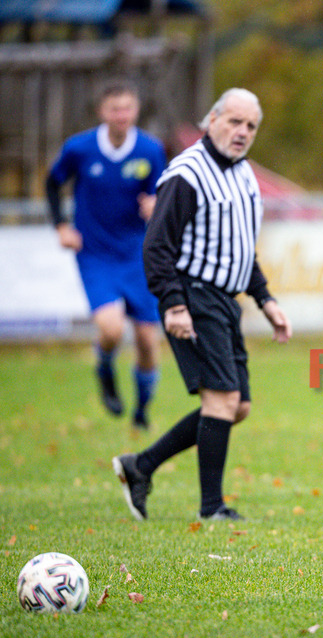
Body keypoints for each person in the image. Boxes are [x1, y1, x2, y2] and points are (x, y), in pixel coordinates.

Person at [111, 88, 292, 522]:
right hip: (193, 296)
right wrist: (173, 305)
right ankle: (212, 508)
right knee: (222, 400)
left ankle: (141, 466)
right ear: (211, 119)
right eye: (234, 121)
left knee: (237, 407)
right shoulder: (187, 173)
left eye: (251, 126)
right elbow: (156, 245)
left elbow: (241, 249)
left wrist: (265, 299)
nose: (242, 132)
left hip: (225, 301)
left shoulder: (245, 175)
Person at [46, 80, 167, 429]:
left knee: (147, 339)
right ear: (103, 112)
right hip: (95, 253)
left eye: (127, 108)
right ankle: (104, 366)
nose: (121, 115)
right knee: (111, 328)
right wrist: (61, 226)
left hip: (137, 255)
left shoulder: (150, 149)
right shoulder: (80, 148)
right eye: (115, 109)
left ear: (136, 110)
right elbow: (53, 183)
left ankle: (142, 410)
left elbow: (159, 193)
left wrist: (155, 205)